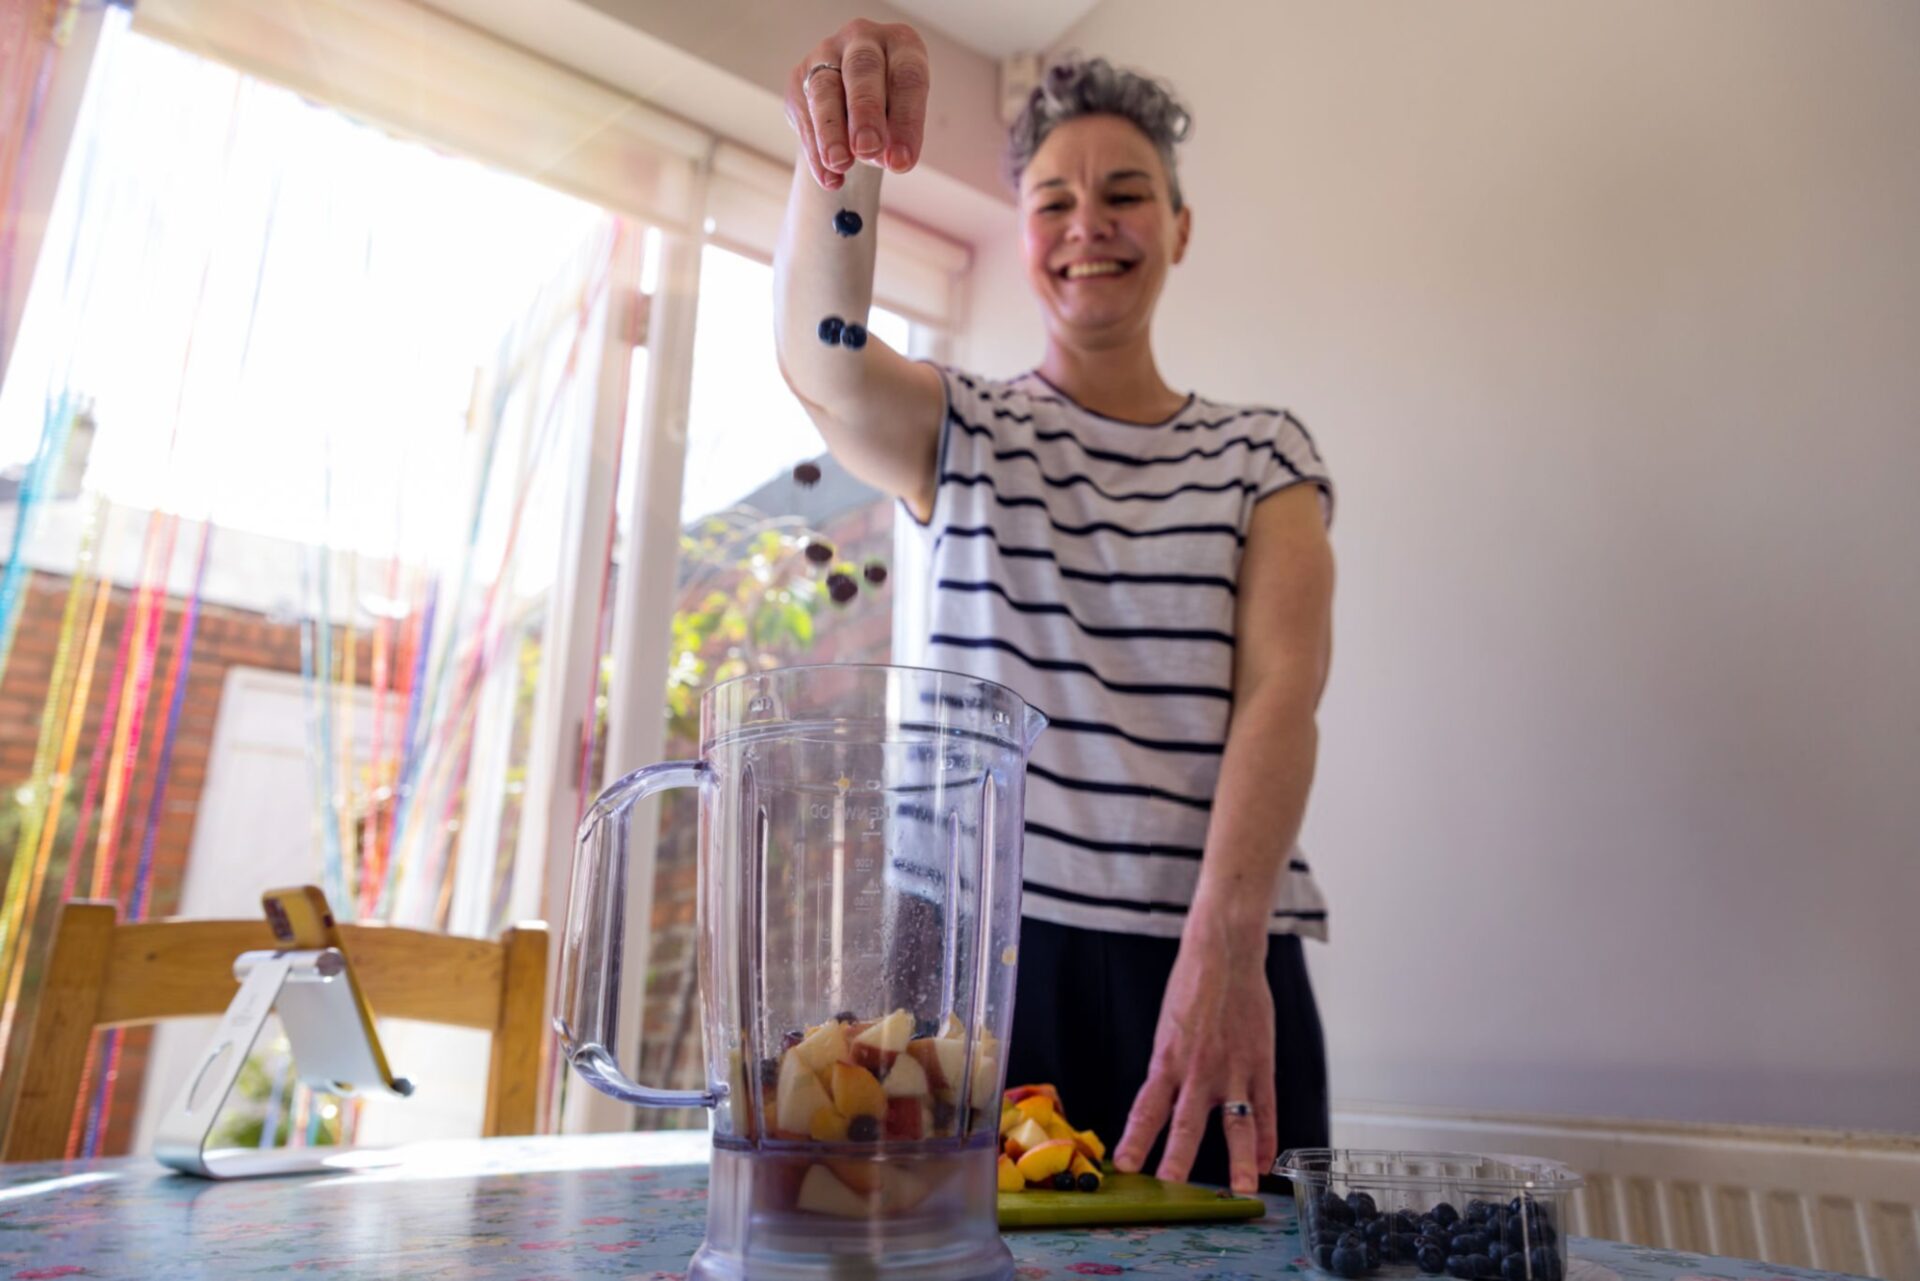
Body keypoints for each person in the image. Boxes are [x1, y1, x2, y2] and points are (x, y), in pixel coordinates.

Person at [774, 20, 1334, 1196]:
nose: (1090, 225)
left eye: (1126, 195)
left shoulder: (1261, 453)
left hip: (1206, 956)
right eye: (1053, 203)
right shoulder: (960, 426)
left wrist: (1228, 951)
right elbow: (824, 364)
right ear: (1024, 238)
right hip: (969, 956)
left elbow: (1283, 695)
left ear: (1179, 228)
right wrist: (844, 159)